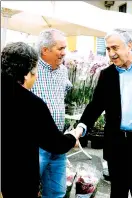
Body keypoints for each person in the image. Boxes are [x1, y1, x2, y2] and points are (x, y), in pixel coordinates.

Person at [74, 29, 132, 198]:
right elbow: (95, 105)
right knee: (117, 192)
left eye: (115, 48)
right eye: (108, 49)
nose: (111, 53)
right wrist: (80, 128)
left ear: (129, 46)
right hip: (116, 145)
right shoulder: (107, 74)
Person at [1, 42, 82, 198]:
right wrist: (74, 135)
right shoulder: (31, 104)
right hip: (18, 179)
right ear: (28, 72)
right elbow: (56, 143)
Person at [31, 29, 78, 198]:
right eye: (60, 48)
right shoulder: (31, 70)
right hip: (36, 144)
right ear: (45, 50)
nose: (64, 53)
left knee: (57, 193)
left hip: (57, 142)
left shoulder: (63, 71)